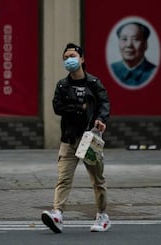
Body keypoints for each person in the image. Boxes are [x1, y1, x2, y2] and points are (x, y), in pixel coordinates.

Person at [42, 43, 111, 233]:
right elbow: (58, 107)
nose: (69, 60)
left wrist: (101, 119)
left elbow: (104, 103)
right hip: (69, 140)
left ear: (82, 59)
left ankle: (102, 215)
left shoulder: (94, 84)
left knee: (97, 180)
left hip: (90, 139)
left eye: (72, 56)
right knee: (63, 178)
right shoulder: (63, 85)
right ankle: (57, 214)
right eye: (65, 58)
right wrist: (77, 108)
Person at [110, 21, 156, 87]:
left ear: (145, 44)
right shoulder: (112, 69)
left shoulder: (153, 72)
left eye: (135, 39)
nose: (129, 45)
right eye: (124, 39)